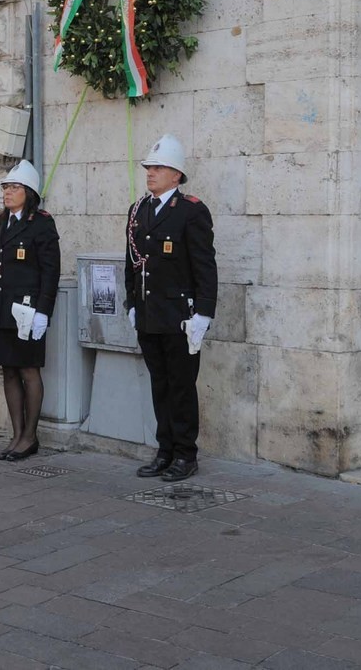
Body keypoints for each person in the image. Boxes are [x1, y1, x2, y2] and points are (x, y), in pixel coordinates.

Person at [125, 134, 218, 482]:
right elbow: (131, 263)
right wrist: (131, 302)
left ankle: (185, 454)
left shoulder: (191, 211)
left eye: (159, 167)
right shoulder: (139, 210)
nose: (151, 173)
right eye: (149, 167)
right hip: (149, 314)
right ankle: (164, 450)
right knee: (159, 384)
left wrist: (203, 314)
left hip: (180, 317)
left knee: (181, 386)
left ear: (176, 175)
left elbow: (204, 266)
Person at [0, 160, 60, 462]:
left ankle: (30, 436)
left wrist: (44, 311)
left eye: (14, 187)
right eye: (5, 187)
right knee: (8, 370)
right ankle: (16, 434)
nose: (7, 192)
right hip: (1, 307)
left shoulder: (41, 223)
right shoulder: (0, 223)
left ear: (29, 192)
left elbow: (50, 271)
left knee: (28, 370)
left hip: (27, 310)